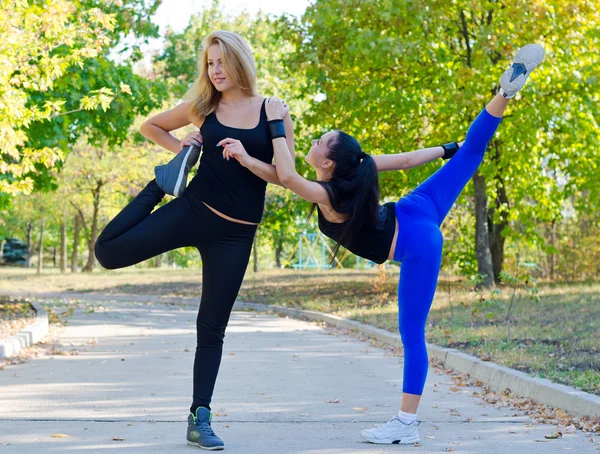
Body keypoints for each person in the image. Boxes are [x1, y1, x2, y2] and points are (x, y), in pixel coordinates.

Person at [220, 43, 545, 445]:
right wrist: (449, 150)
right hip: (417, 209)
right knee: (472, 150)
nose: (315, 140)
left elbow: (286, 175)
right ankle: (505, 93)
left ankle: (406, 425)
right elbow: (407, 160)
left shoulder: (328, 194)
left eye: (321, 140)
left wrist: (272, 123)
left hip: (417, 240)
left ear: (327, 163)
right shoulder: (356, 170)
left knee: (412, 333)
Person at [94, 30, 294, 450]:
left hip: (236, 235)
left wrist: (245, 156)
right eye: (209, 63)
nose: (215, 71)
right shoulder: (204, 107)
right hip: (192, 211)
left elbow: (285, 176)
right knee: (108, 253)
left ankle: (198, 417)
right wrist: (180, 144)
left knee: (212, 326)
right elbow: (150, 126)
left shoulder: (272, 110)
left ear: (240, 62)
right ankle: (161, 183)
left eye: (221, 62)